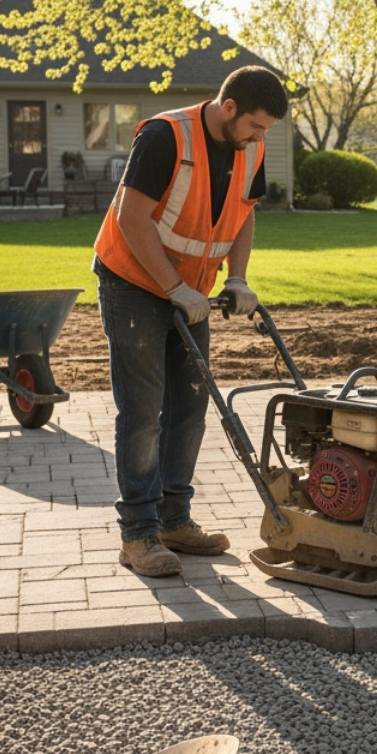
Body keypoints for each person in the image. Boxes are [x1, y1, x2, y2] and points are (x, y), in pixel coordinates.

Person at [92, 65, 288, 577]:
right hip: (133, 283)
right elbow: (130, 218)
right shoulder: (165, 136)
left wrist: (238, 279)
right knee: (141, 412)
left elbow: (244, 215)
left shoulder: (250, 149)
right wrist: (173, 287)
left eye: (266, 129)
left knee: (191, 406)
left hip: (190, 291)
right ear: (229, 109)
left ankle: (174, 520)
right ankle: (137, 536)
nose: (260, 137)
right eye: (256, 126)